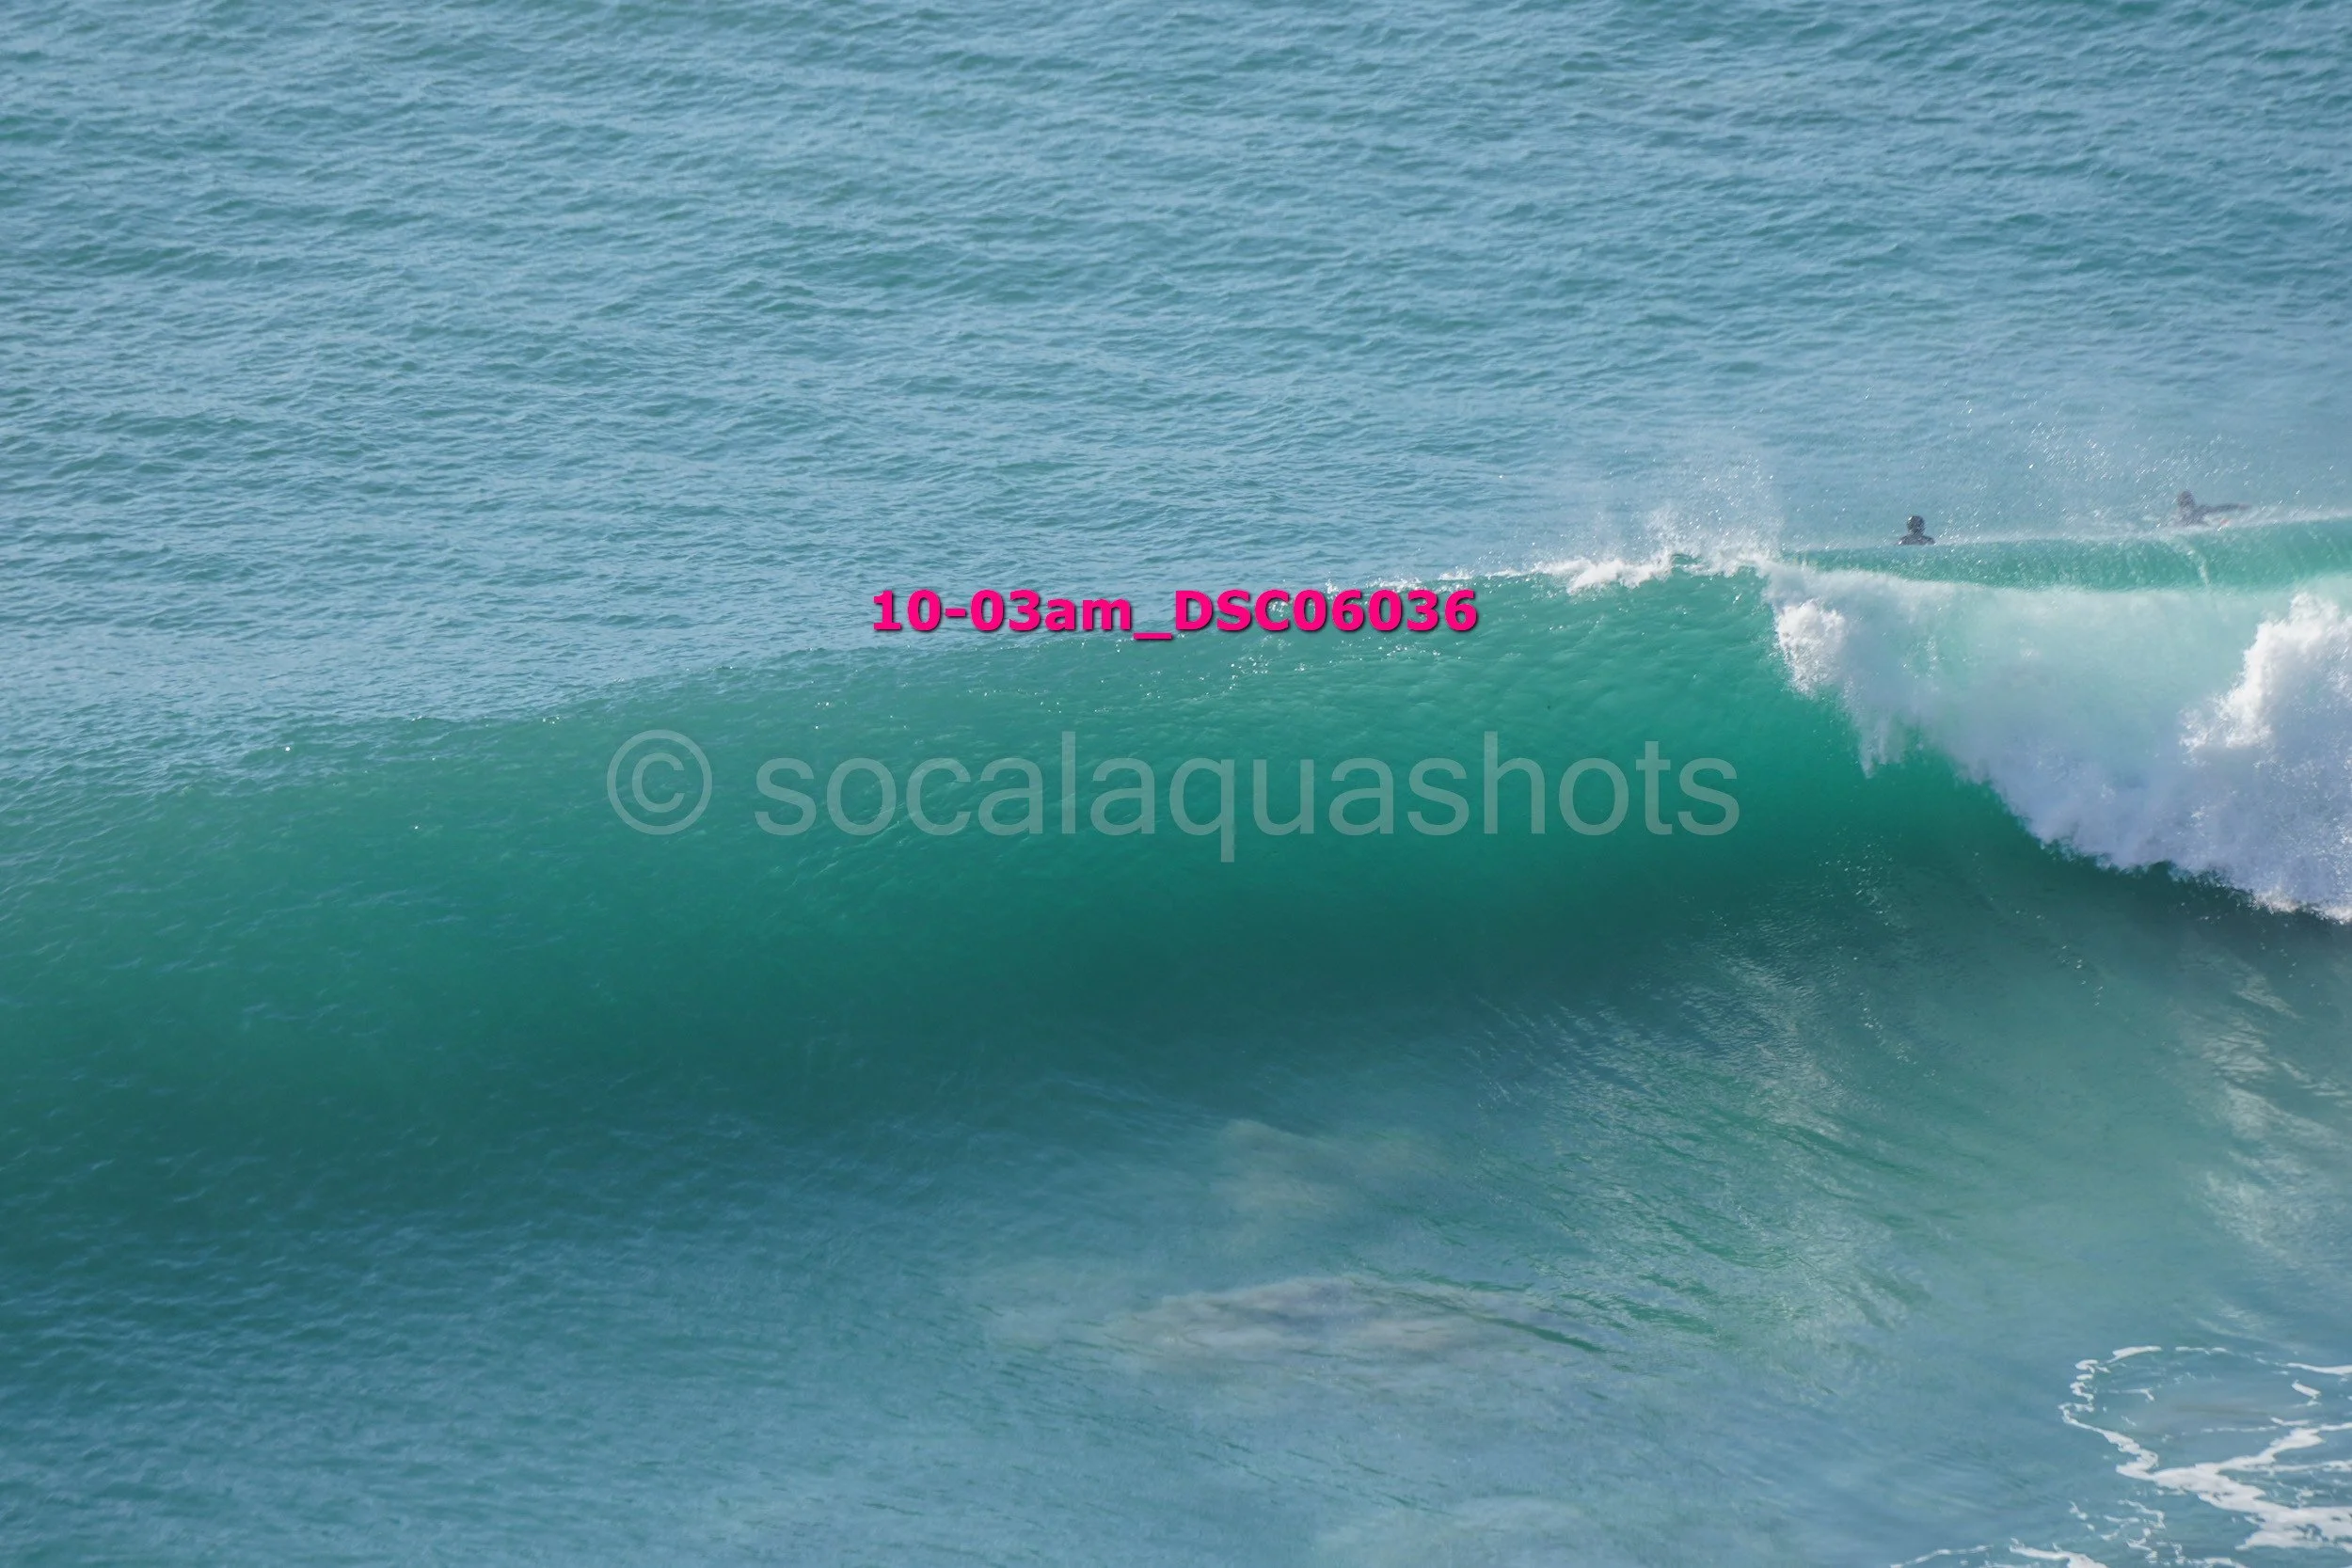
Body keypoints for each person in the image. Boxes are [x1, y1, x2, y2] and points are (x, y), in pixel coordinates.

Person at [2176, 491, 2245, 527]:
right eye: (2189, 499)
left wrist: (2237, 506)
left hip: (2190, 529)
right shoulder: (2200, 509)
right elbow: (2219, 509)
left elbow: (2219, 508)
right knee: (2219, 521)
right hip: (2201, 528)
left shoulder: (2176, 515)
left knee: (2216, 520)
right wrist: (2237, 506)